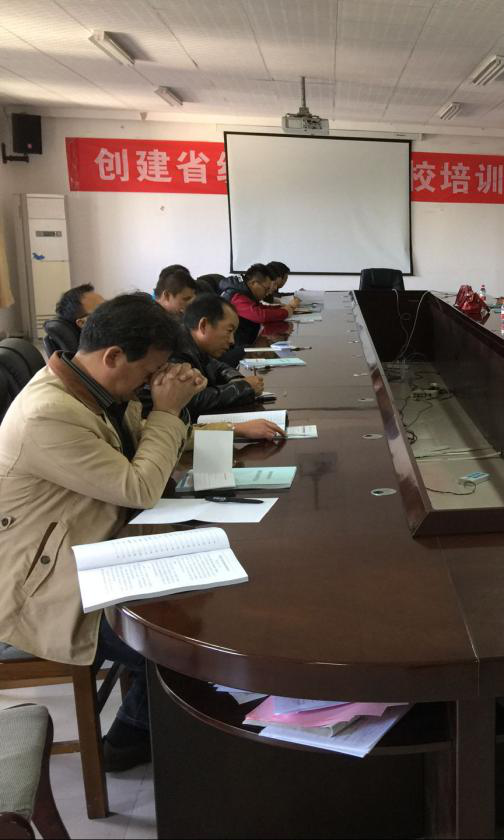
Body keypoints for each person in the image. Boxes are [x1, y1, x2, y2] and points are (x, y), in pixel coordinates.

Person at [0, 293, 206, 772]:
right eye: (147, 371)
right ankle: (130, 738)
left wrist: (207, 424)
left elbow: (138, 451)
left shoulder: (94, 390)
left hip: (95, 553)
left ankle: (145, 727)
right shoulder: (48, 413)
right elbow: (139, 486)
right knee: (178, 641)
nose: (149, 383)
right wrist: (167, 411)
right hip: (43, 588)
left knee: (202, 598)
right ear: (113, 355)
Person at [174, 295, 284, 440]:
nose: (232, 341)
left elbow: (218, 366)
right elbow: (192, 400)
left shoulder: (195, 345)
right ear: (204, 325)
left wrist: (237, 379)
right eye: (229, 331)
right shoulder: (176, 351)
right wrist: (243, 388)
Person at [219, 263, 297, 348]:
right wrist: (285, 312)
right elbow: (259, 315)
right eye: (266, 289)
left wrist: (281, 308)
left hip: (248, 339)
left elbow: (260, 307)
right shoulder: (236, 296)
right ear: (254, 283)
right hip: (234, 346)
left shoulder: (245, 292)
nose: (268, 293)